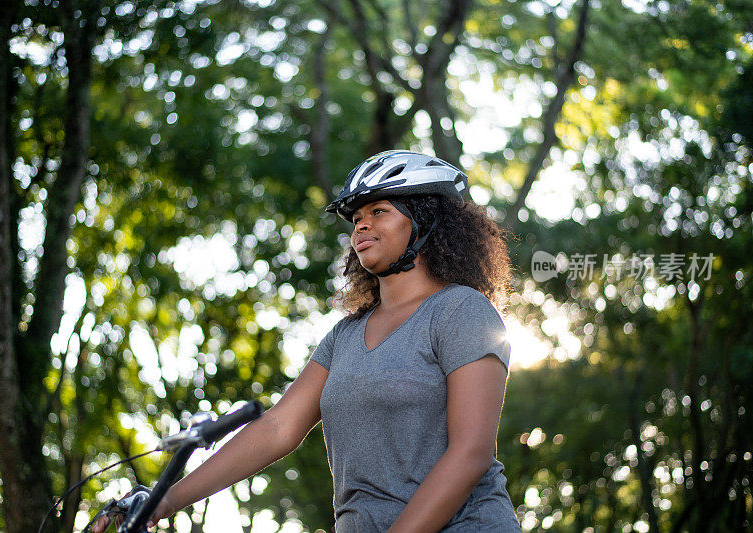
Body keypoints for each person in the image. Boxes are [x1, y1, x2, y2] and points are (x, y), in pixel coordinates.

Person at [95, 150, 521, 532]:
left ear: (425, 222)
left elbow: (471, 452)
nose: (362, 225)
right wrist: (160, 501)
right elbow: (278, 428)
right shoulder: (345, 336)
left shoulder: (460, 311)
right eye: (356, 219)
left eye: (379, 210)